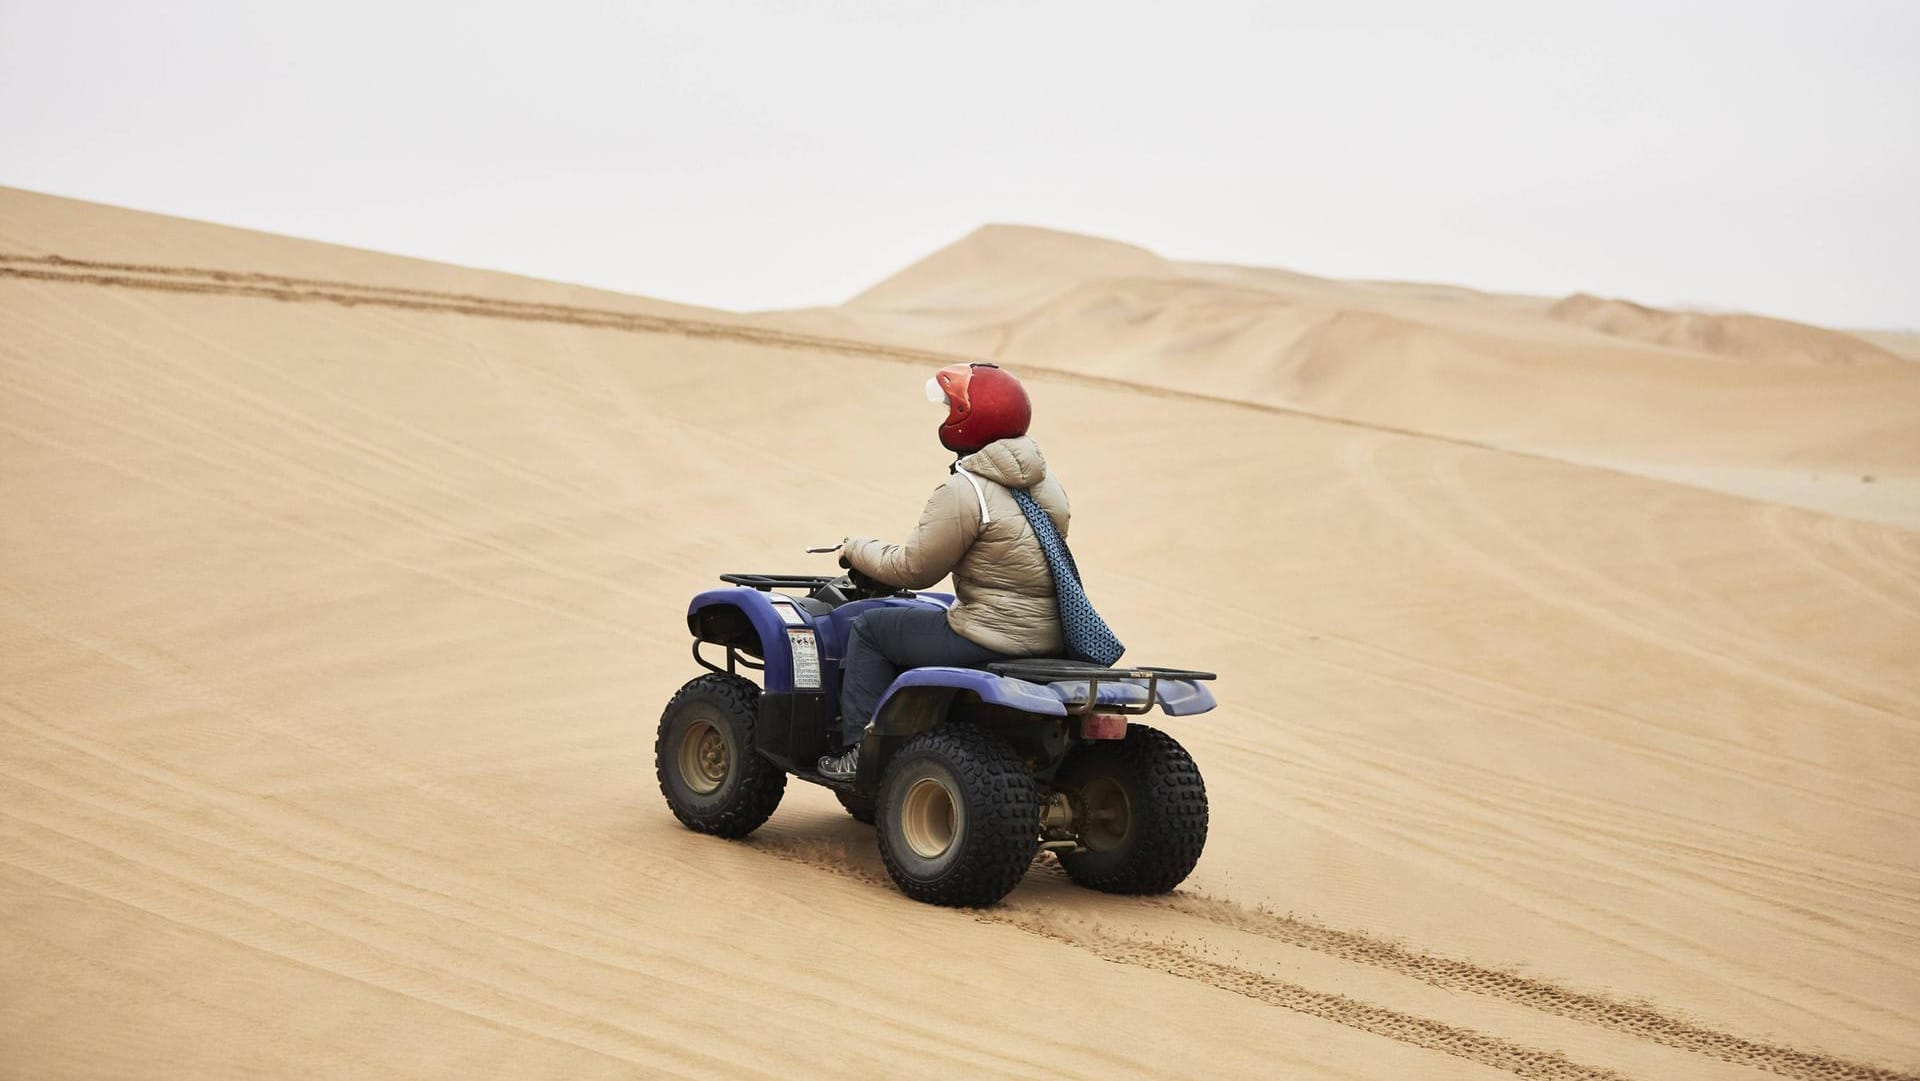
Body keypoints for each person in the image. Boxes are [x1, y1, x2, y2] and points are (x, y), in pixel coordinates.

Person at [817, 362, 1070, 780]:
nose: (946, 417)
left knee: (870, 628)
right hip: (1049, 634)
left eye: (952, 409)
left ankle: (858, 753)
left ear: (969, 420)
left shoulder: (966, 490)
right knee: (930, 616)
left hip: (992, 635)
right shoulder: (1046, 485)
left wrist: (855, 548)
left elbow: (913, 570)